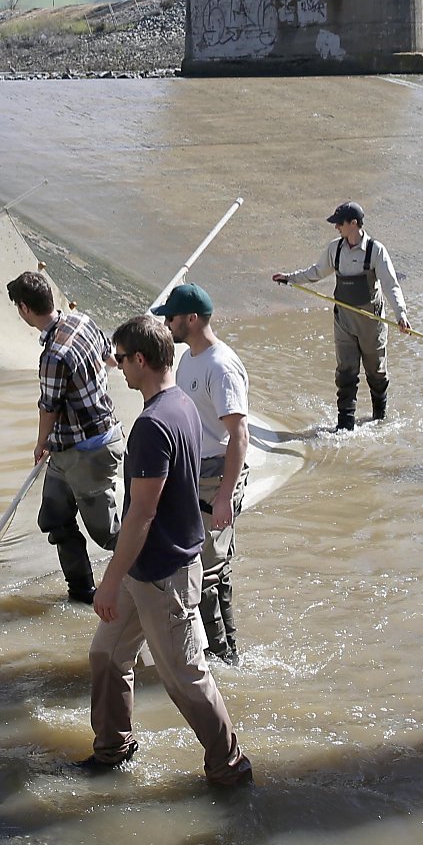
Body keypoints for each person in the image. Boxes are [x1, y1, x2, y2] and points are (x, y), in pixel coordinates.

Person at [78, 314, 253, 788]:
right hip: (146, 568)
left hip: (164, 575)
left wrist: (109, 582)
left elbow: (141, 514)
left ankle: (230, 765)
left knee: (185, 677)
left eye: (119, 358)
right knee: (107, 656)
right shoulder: (181, 406)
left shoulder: (154, 424)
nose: (116, 367)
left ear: (140, 359)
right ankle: (114, 747)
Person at [7, 269, 122, 604]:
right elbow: (110, 357)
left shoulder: (53, 355)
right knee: (55, 518)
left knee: (109, 533)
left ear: (25, 309)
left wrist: (40, 443)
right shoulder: (82, 321)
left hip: (88, 450)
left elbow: (49, 407)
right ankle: (82, 591)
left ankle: (152, 580)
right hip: (72, 447)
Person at [153, 282, 249, 665]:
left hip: (217, 474)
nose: (168, 324)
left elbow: (239, 435)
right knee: (209, 567)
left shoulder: (220, 366)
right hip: (194, 471)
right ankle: (223, 653)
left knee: (206, 571)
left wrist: (225, 495)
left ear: (191, 319)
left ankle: (222, 658)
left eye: (171, 318)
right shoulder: (189, 359)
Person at [271, 200, 411, 430]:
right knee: (346, 373)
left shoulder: (376, 250)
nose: (336, 227)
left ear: (353, 224)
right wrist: (289, 278)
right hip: (344, 322)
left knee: (376, 373)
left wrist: (401, 315)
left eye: (340, 223)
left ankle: (379, 419)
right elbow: (316, 273)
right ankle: (345, 426)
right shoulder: (334, 249)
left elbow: (391, 286)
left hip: (371, 323)